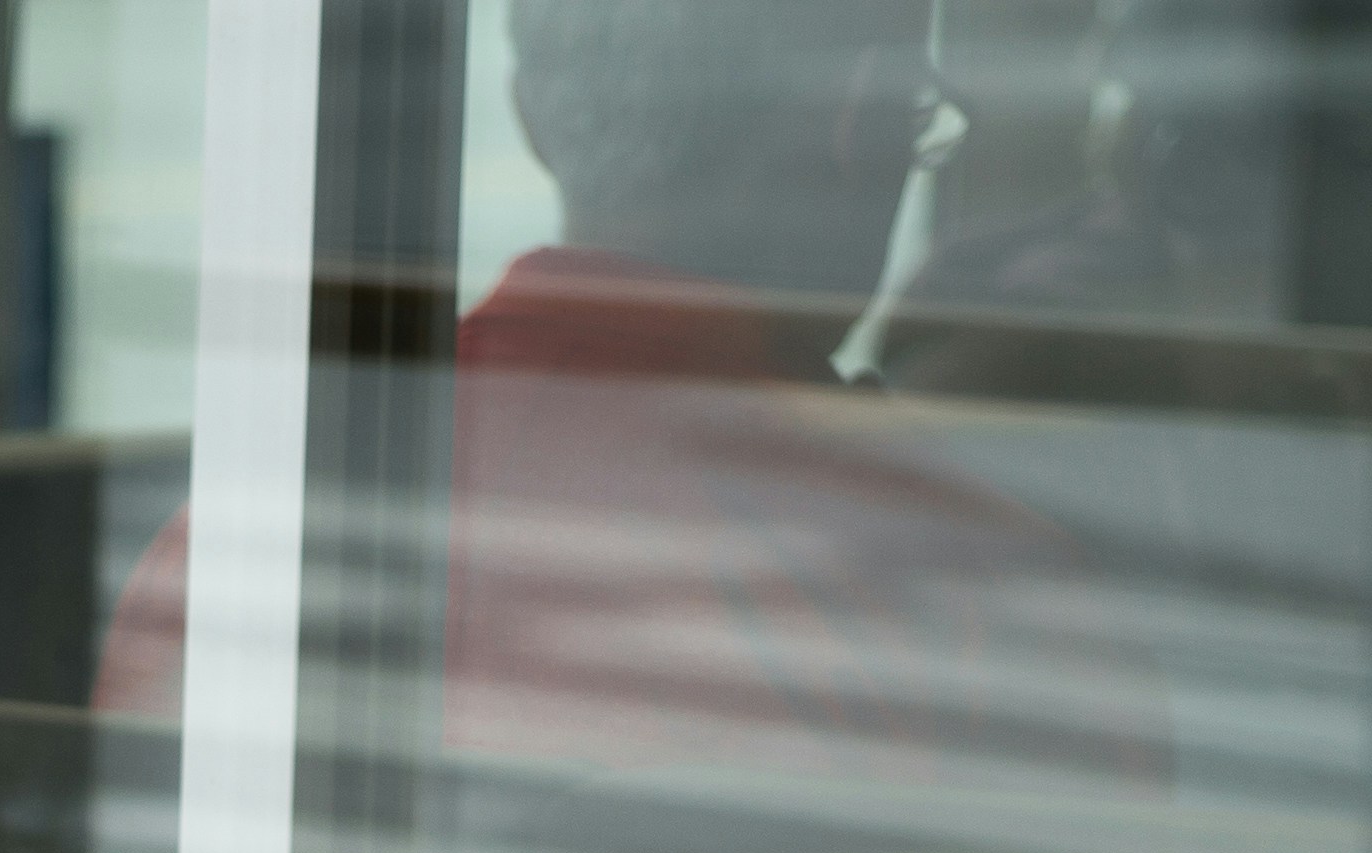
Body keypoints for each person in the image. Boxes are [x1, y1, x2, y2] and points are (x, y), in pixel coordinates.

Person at [92, 0, 1157, 781]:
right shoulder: (966, 591)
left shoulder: (244, 526)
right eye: (919, 114)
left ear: (533, 117)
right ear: (859, 120)